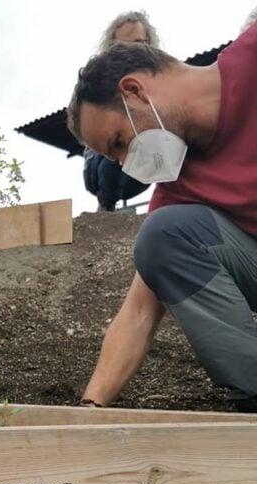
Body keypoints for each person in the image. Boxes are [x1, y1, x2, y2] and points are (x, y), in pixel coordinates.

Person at [67, 22, 257, 411]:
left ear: (134, 91)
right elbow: (137, 313)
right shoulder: (179, 190)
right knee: (164, 235)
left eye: (119, 143)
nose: (124, 164)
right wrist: (89, 410)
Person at [83, 11, 158, 211]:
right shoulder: (100, 82)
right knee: (119, 136)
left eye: (138, 43)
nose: (131, 52)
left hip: (145, 164)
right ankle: (105, 208)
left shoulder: (161, 79)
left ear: (148, 44)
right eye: (122, 47)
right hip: (101, 166)